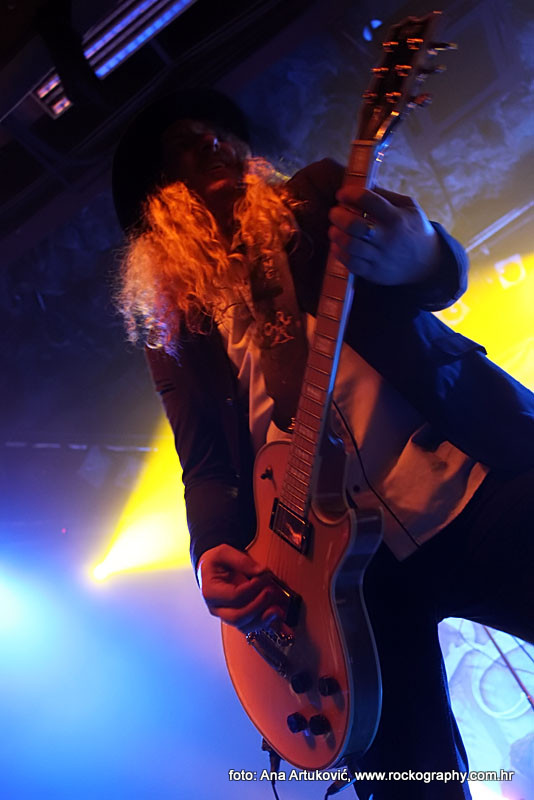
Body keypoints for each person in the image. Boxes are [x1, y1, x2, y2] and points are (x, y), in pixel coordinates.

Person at [112, 88, 534, 800]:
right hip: (343, 580)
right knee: (408, 783)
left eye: (216, 131)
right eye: (183, 144)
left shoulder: (312, 201)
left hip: (463, 483)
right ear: (159, 200)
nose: (212, 142)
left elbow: (436, 273)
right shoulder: (176, 324)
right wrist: (211, 550)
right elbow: (205, 461)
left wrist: (422, 254)